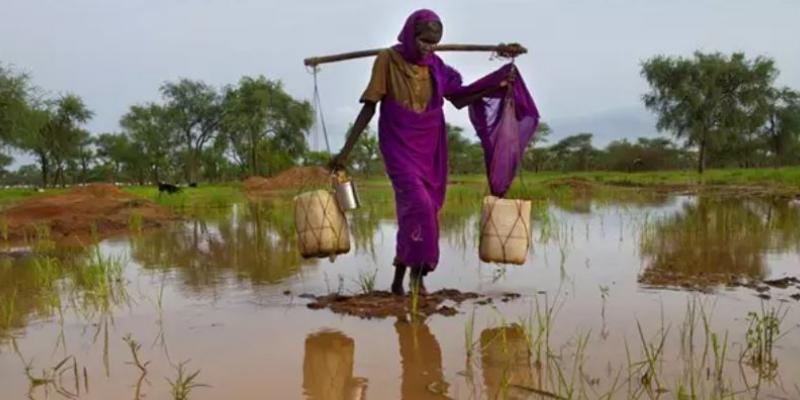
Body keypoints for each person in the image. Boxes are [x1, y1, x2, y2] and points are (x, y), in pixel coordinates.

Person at [329, 9, 523, 295]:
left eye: (434, 43)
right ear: (411, 35)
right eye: (424, 41)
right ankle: (417, 279)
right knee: (419, 204)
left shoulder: (436, 66)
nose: (428, 48)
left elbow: (459, 98)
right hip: (398, 144)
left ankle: (401, 276)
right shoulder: (388, 60)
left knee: (422, 211)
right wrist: (345, 151)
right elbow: (370, 105)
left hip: (430, 146)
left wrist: (499, 83)